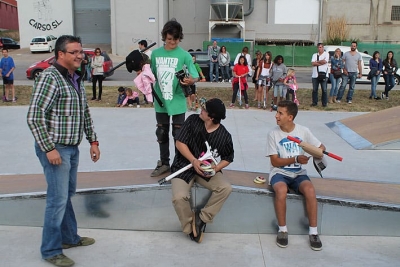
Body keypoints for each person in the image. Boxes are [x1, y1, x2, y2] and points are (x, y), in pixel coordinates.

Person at [26, 35, 100, 267]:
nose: (80, 56)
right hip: (55, 149)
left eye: (81, 52)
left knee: (66, 195)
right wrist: (49, 149)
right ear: (60, 54)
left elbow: (84, 111)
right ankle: (50, 250)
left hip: (72, 148)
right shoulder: (51, 78)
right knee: (57, 200)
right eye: (74, 52)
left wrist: (93, 141)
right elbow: (34, 116)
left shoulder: (74, 78)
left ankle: (69, 238)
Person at [170, 98, 234, 243]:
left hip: (206, 171)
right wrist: (193, 160)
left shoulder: (224, 136)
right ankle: (190, 229)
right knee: (179, 197)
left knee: (225, 188)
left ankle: (201, 218)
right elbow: (180, 143)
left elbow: (228, 157)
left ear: (211, 117)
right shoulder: (193, 120)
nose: (201, 110)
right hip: (183, 166)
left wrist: (216, 168)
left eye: (204, 110)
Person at [266, 100, 325, 251]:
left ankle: (313, 232)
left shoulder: (303, 131)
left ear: (290, 117)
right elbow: (274, 161)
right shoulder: (273, 134)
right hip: (279, 173)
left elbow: (320, 147)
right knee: (281, 190)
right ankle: (283, 230)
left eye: (280, 113)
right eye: (277, 112)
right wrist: (296, 159)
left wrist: (317, 153)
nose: (276, 116)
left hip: (299, 173)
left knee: (310, 191)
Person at [150, 18, 199, 177]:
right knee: (162, 132)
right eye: (169, 39)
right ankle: (164, 163)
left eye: (176, 39)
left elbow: (195, 75)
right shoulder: (155, 54)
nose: (172, 42)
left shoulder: (184, 55)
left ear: (180, 38)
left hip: (177, 100)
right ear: (164, 37)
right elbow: (149, 74)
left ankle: (178, 164)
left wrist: (191, 80)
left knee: (179, 135)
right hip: (161, 101)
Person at [311, 43, 329, 107]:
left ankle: (324, 103)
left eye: (321, 47)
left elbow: (325, 61)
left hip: (324, 74)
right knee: (315, 89)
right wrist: (320, 63)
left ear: (323, 48)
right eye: (319, 47)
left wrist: (317, 62)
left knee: (324, 89)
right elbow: (313, 63)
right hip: (315, 75)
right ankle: (314, 102)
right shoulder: (314, 55)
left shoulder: (326, 54)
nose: (320, 48)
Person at [138, 39, 152, 104]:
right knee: (143, 86)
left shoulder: (150, 53)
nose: (139, 47)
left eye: (139, 45)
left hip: (148, 72)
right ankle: (145, 99)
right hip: (142, 72)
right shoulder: (141, 53)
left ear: (143, 45)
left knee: (149, 86)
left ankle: (151, 100)